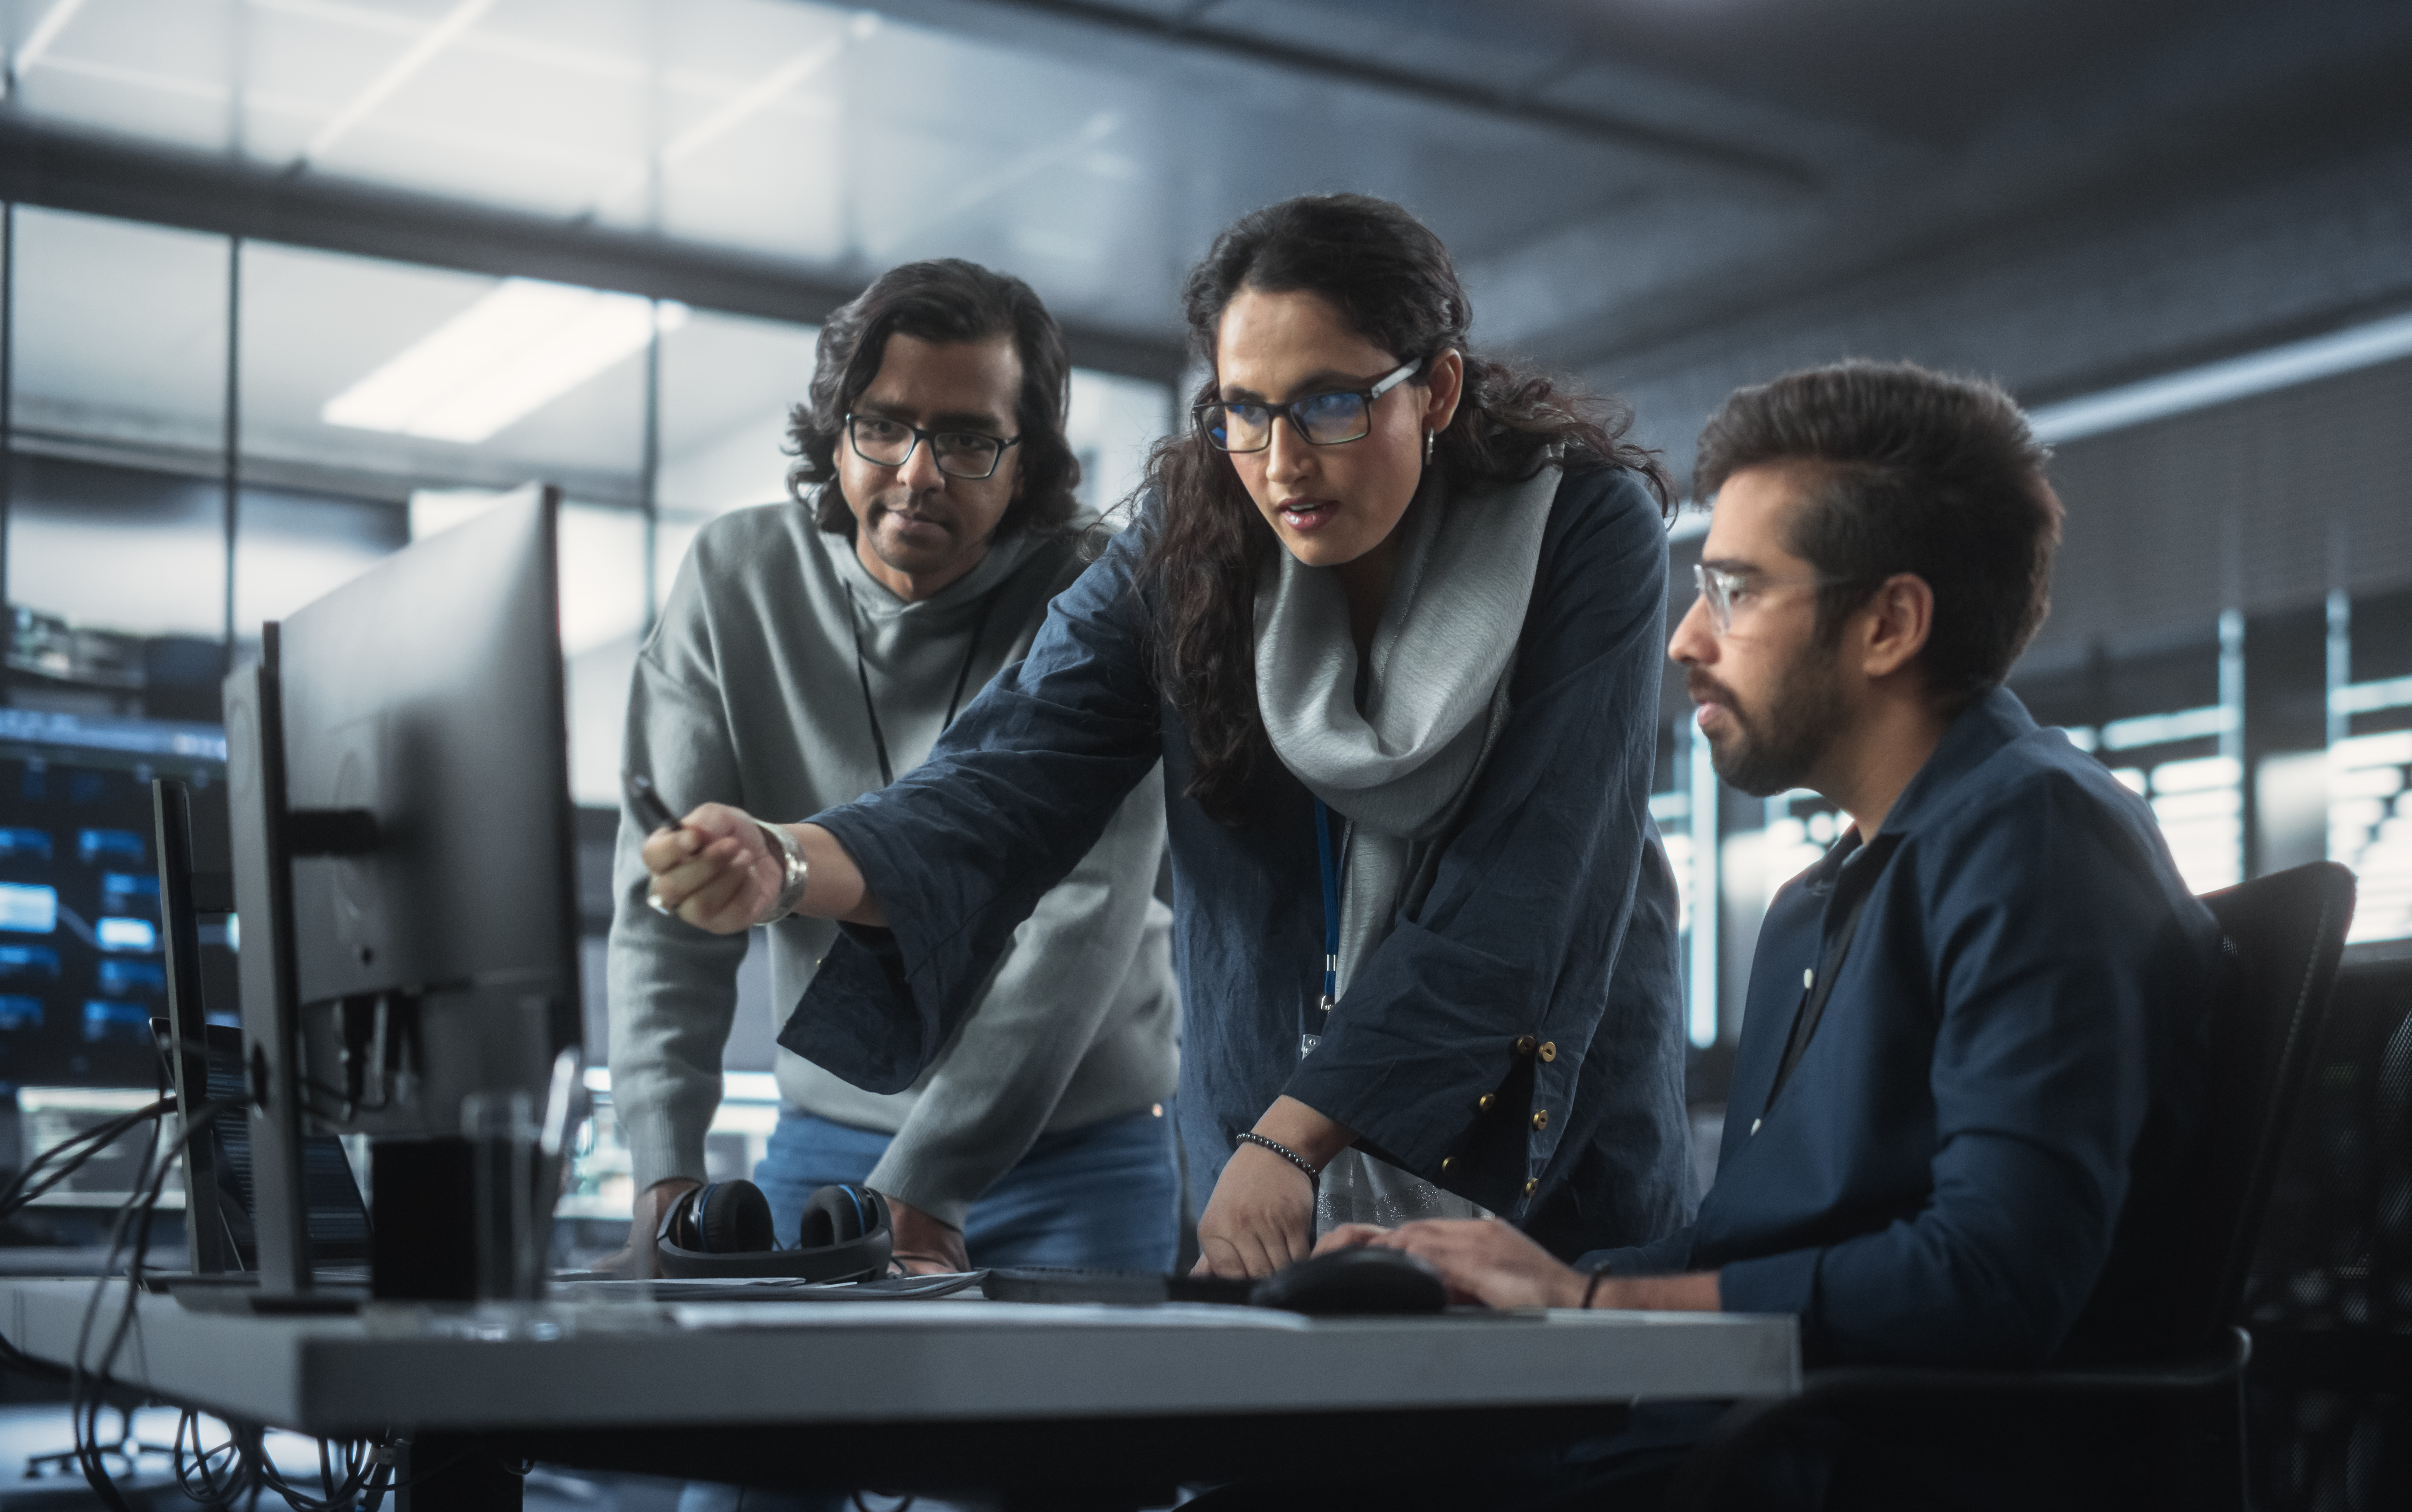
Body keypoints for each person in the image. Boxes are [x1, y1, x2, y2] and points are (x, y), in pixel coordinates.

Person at [640, 194, 1694, 1278]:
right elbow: (1008, 772)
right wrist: (787, 861)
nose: (1282, 462)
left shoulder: (1579, 528)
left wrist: (1297, 1133)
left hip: (1526, 1154)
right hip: (1263, 1152)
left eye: (1331, 405)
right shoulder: (1191, 540)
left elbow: (1524, 886)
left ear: (1437, 389)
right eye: (1244, 410)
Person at [1300, 360, 2221, 1506]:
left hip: (1854, 1469)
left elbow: (1992, 1281)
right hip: (1750, 1442)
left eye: (1734, 593)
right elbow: (1753, 1248)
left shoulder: (2036, 837)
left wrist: (1592, 1304)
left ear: (1889, 623)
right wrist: (1506, 1276)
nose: (1686, 639)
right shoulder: (1820, 901)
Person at [605, 259, 1180, 1278]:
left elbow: (1082, 917)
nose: (917, 474)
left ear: (1026, 462)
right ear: (837, 433)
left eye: (966, 440)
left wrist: (930, 1185)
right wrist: (666, 1180)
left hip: (1079, 1152)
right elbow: (669, 903)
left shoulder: (1100, 594)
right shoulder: (737, 578)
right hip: (830, 1140)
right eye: (883, 426)